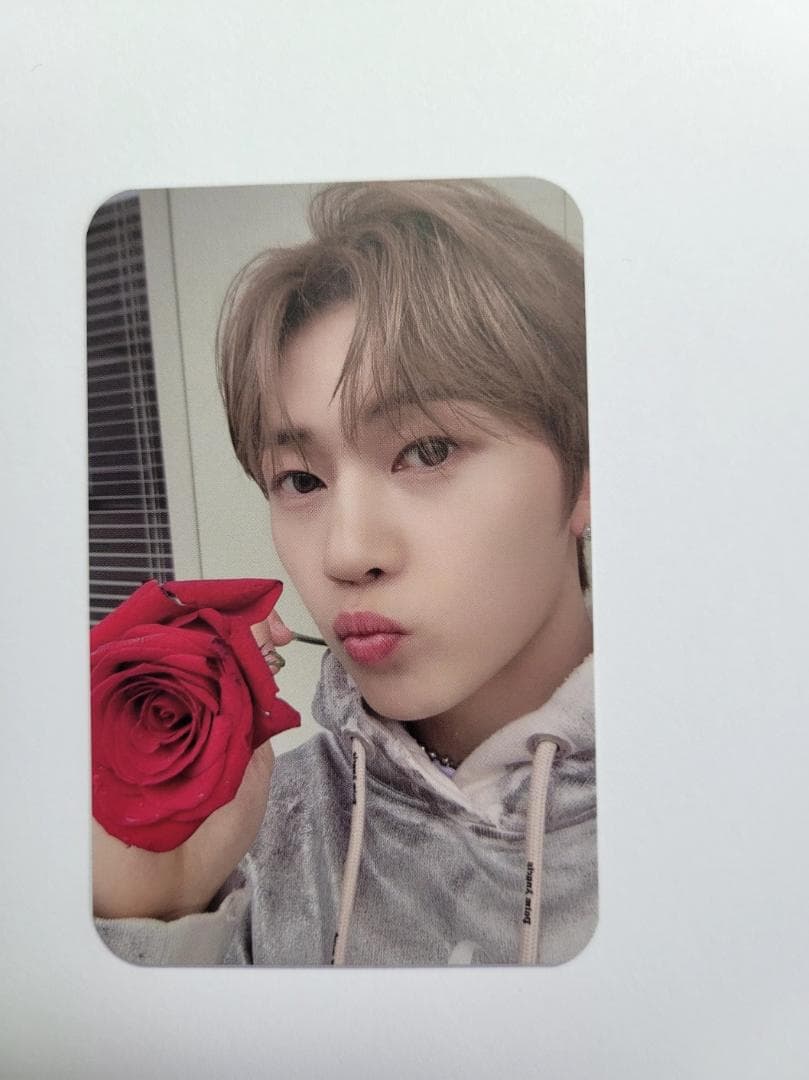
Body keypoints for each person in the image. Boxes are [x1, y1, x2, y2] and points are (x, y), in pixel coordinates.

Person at [94, 179, 596, 966]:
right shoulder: (252, 836)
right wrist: (161, 913)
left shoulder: (725, 796)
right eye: (300, 479)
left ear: (588, 472)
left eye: (427, 451)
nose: (344, 553)